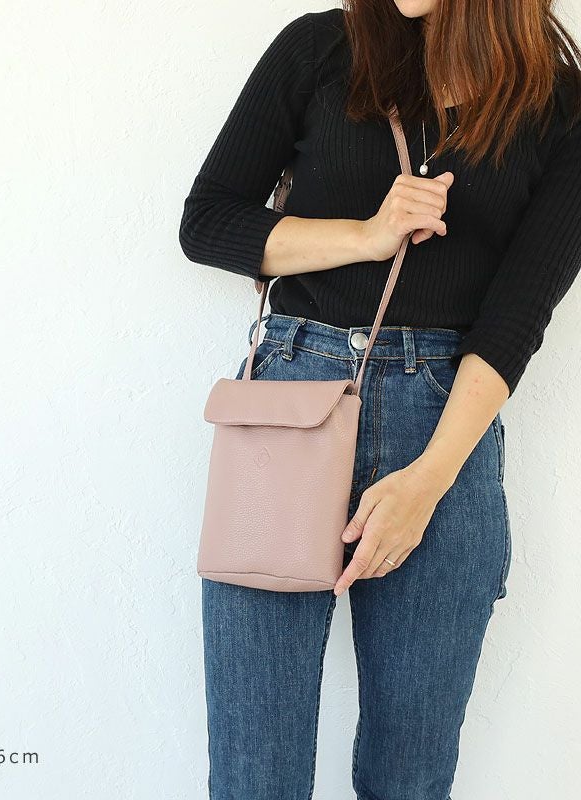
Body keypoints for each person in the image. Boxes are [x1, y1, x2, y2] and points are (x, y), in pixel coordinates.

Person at [178, 3, 581, 798]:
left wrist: (427, 483)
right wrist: (366, 235)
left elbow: (516, 319)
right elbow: (209, 221)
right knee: (255, 773)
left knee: (411, 776)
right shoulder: (320, 50)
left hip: (445, 425)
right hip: (293, 402)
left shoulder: (561, 106)